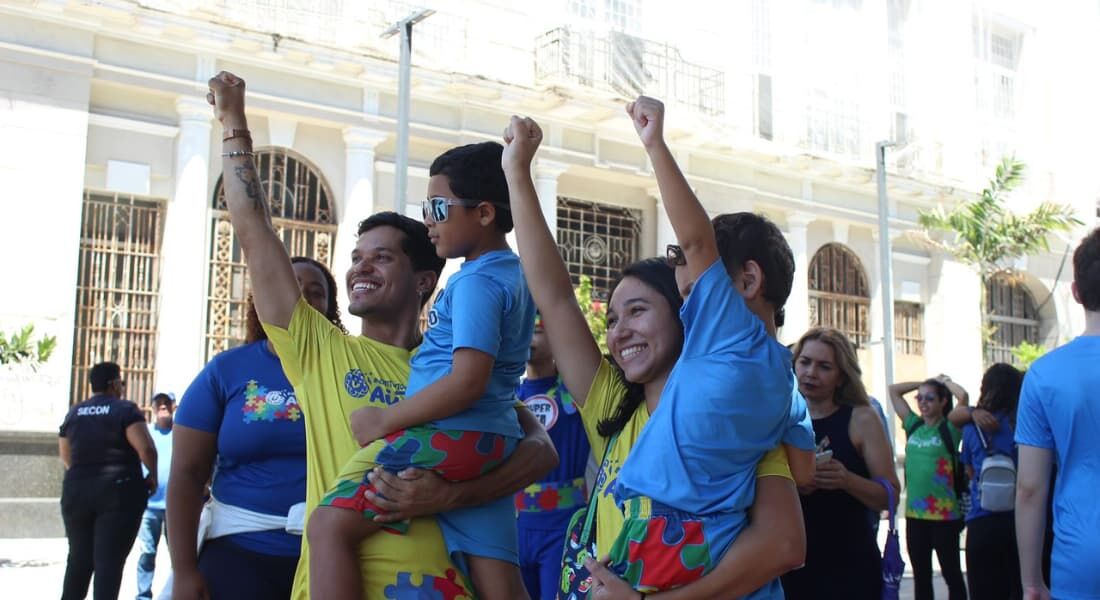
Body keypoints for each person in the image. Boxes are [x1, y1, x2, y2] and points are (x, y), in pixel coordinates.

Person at [205, 70, 557, 600]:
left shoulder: (453, 366)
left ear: (424, 279)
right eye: (355, 258)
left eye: (382, 257)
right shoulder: (319, 351)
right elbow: (253, 233)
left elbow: (540, 452)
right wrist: (234, 123)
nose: (359, 269)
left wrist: (444, 496)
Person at [500, 111, 810, 599]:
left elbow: (784, 545)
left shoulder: (732, 421)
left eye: (638, 310)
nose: (620, 332)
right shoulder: (610, 409)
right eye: (613, 320)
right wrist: (517, 173)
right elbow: (555, 296)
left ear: (689, 312)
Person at [307, 138, 535, 600]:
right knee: (500, 587)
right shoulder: (515, 273)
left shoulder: (475, 281)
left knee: (328, 525)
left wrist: (383, 420)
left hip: (449, 435)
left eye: (437, 206)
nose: (428, 220)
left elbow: (468, 379)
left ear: (485, 213)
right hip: (492, 440)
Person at [168, 257, 344, 599]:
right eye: (291, 288)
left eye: (315, 292)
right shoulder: (225, 371)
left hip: (332, 558)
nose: (302, 300)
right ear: (262, 296)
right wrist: (184, 570)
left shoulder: (350, 371)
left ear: (329, 307)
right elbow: (187, 474)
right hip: (238, 556)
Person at [780, 327, 900, 600]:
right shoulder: (779, 415)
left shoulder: (861, 418)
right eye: (805, 362)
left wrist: (846, 480)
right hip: (791, 562)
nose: (811, 373)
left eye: (824, 366)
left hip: (850, 563)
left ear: (841, 376)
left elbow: (890, 495)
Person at [1016, 226, 1100, 600]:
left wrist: (1032, 582)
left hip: (1081, 555)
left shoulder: (1045, 374)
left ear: (1076, 292)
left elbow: (1030, 488)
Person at [58, 361, 157, 600]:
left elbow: (65, 454)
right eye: (121, 383)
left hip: (76, 491)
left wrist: (85, 477)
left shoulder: (74, 413)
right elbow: (145, 448)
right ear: (114, 384)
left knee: (79, 560)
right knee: (108, 563)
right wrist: (152, 475)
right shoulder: (125, 410)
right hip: (117, 492)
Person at [515, 312, 591, 600]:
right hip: (516, 527)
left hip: (564, 528)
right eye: (525, 331)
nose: (529, 338)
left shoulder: (575, 393)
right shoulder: (509, 395)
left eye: (537, 330)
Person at [889, 375, 971, 600]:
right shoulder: (913, 425)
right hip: (916, 516)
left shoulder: (950, 428)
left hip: (945, 517)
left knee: (952, 574)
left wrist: (943, 383)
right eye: (919, 398)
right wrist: (924, 382)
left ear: (943, 402)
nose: (923, 403)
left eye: (930, 398)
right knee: (921, 576)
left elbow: (963, 396)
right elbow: (894, 390)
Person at [947, 363, 1023, 600]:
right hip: (1017, 521)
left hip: (981, 521)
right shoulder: (1021, 425)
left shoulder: (972, 428)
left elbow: (968, 470)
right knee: (1017, 589)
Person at [136, 392, 175, 600]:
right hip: (150, 505)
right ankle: (143, 595)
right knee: (147, 553)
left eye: (167, 403)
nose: (163, 406)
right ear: (152, 407)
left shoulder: (181, 433)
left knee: (177, 555)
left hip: (175, 506)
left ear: (173, 406)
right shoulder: (146, 433)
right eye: (159, 403)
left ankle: (174, 593)